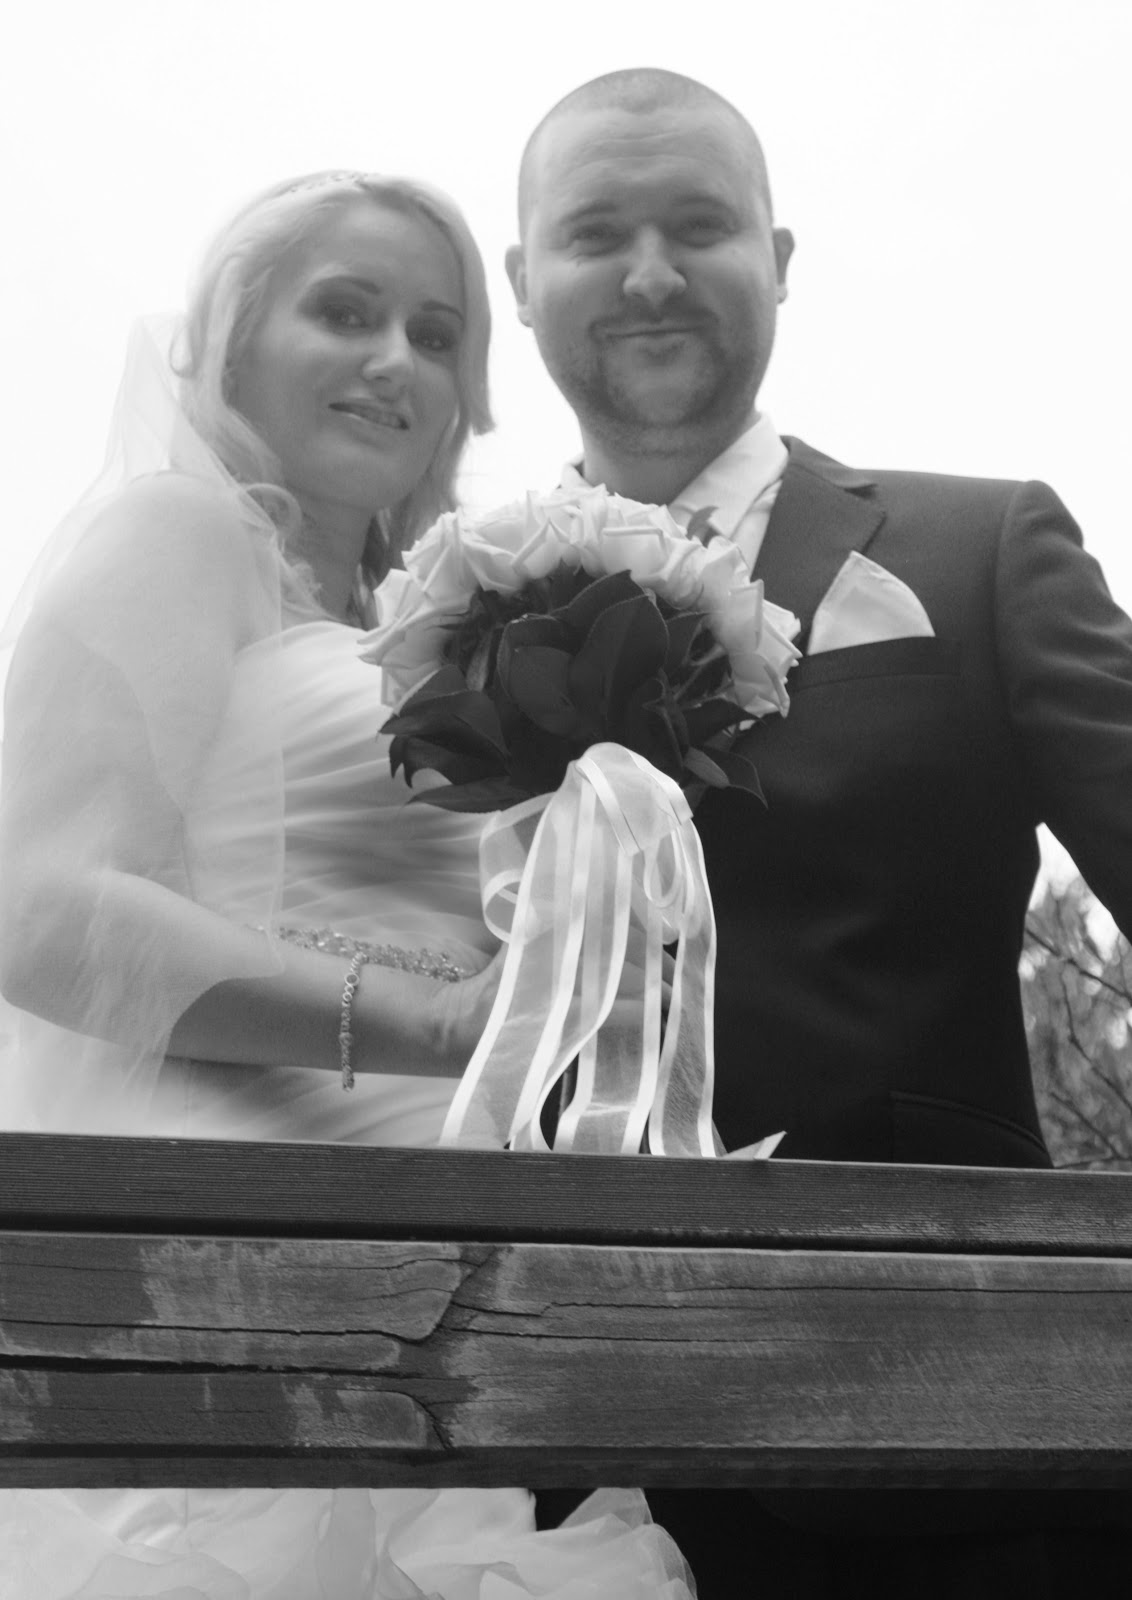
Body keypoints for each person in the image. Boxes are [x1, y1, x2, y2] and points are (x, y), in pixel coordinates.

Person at [0, 171, 695, 1599]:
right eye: (345, 312)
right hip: (214, 1268)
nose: (396, 361)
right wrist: (442, 1026)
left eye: (437, 335)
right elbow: (36, 905)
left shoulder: (409, 637)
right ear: (233, 340)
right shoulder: (180, 535)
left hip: (416, 1286)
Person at [505, 67, 1132, 1598]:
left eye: (699, 224)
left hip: (950, 1436)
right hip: (543, 1451)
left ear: (778, 259)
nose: (650, 272)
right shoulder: (450, 617)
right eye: (596, 233)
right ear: (524, 282)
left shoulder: (979, 546)